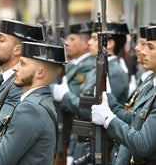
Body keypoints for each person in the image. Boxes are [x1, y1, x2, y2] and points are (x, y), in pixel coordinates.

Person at [0, 41, 65, 165]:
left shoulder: (30, 108)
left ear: (40, 73)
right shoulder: (39, 101)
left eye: (22, 64)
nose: (15, 67)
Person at [53, 21, 130, 163]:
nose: (89, 43)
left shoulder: (115, 73)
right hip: (81, 143)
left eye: (95, 39)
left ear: (110, 44)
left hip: (100, 145)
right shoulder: (95, 71)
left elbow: (95, 111)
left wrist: (66, 96)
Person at [91, 25, 156, 164]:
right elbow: (132, 120)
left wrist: (109, 119)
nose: (142, 51)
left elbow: (143, 144)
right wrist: (108, 98)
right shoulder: (150, 82)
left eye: (150, 47)